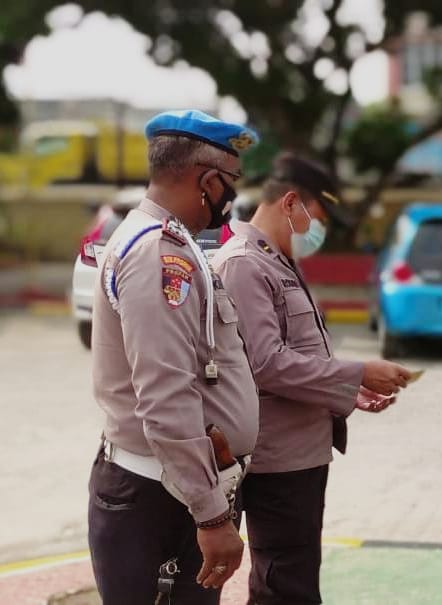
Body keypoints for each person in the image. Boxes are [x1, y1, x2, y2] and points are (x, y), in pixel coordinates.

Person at [210, 152, 413, 604]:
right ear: (290, 204)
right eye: (317, 217)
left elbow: (296, 357)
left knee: (291, 581)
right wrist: (357, 370)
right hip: (274, 459)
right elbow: (266, 362)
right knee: (285, 587)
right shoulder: (244, 264)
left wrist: (348, 389)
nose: (317, 232)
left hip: (298, 454)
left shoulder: (277, 261)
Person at [89, 109, 260, 603]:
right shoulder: (156, 255)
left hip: (177, 487)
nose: (233, 197)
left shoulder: (174, 243)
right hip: (159, 496)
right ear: (207, 180)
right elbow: (165, 396)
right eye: (230, 183)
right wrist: (210, 514)